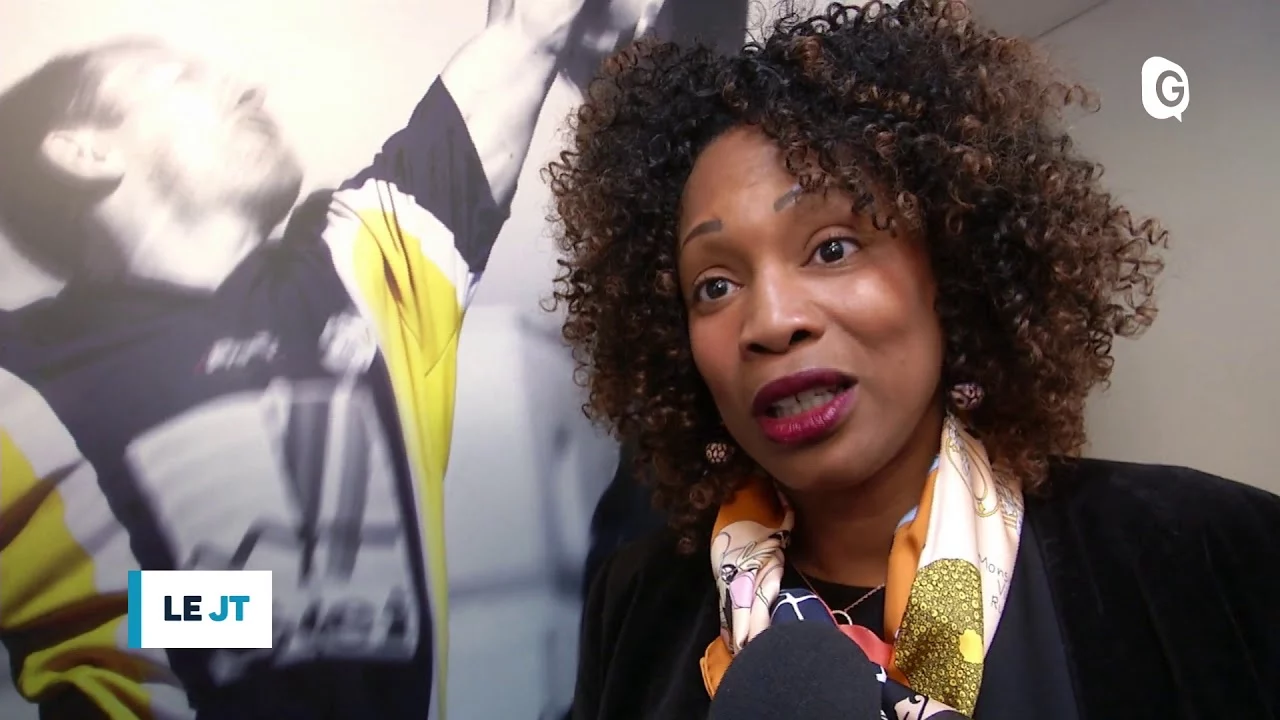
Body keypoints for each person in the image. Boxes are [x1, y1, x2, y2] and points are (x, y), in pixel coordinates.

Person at [544, 2, 1280, 718]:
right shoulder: (638, 605)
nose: (772, 321)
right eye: (714, 286)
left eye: (832, 248)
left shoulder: (1203, 551)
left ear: (947, 269)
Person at [0, 0, 656, 717]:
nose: (248, 85)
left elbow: (527, 31)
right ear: (85, 152)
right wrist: (205, 608)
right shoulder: (18, 380)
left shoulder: (362, 263)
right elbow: (229, 609)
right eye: (178, 77)